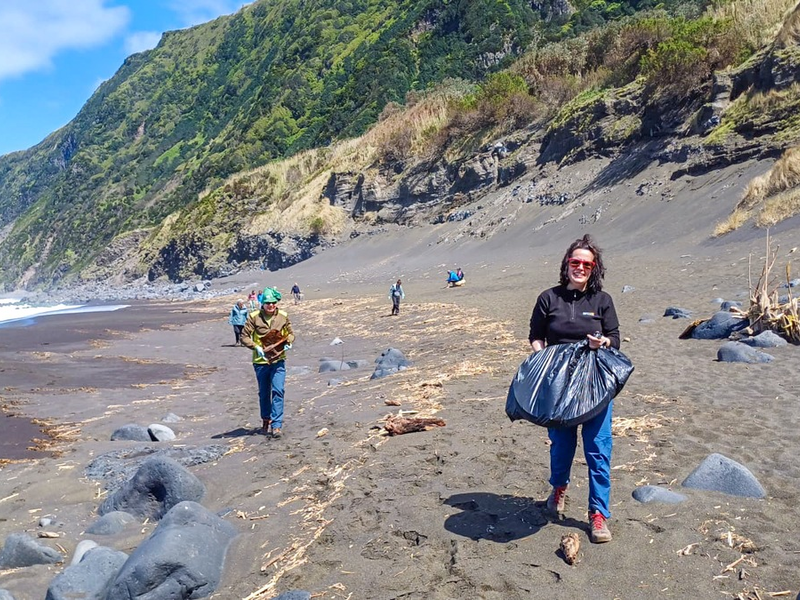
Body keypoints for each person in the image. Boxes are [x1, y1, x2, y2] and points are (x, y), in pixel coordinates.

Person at [528, 234, 620, 544]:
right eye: (575, 262)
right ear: (566, 265)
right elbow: (536, 336)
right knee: (561, 445)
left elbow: (615, 338)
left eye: (586, 264)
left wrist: (603, 342)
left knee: (598, 449)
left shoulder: (602, 301)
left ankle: (598, 515)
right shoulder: (548, 298)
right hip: (558, 384)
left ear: (594, 269)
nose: (579, 268)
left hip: (594, 383)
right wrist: (541, 355)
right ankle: (559, 489)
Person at [240, 287, 295, 438]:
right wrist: (256, 347)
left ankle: (276, 425)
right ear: (262, 303)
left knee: (278, 390)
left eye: (273, 302)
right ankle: (266, 419)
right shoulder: (254, 317)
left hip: (278, 360)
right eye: (267, 302)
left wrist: (289, 341)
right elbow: (244, 337)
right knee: (264, 393)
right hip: (260, 362)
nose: (271, 305)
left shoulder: (283, 316)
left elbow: (290, 333)